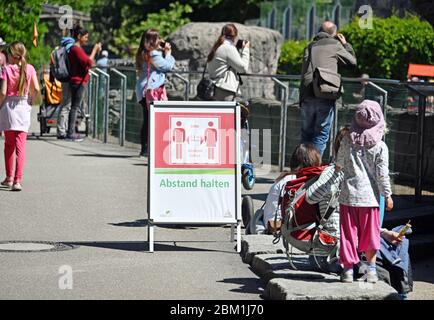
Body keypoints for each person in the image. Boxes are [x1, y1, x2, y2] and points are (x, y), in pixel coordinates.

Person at [335, 99, 393, 284]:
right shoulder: (381, 147)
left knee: (348, 234)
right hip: (370, 200)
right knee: (370, 234)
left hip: (348, 197)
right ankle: (372, 271)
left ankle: (347, 271)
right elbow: (382, 174)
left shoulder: (346, 140)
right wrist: (387, 195)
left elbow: (339, 165)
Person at [299, 21, 357, 156]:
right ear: (334, 33)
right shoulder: (335, 45)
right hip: (324, 93)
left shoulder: (310, 46)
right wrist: (345, 44)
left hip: (306, 94)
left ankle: (303, 167)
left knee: (306, 135)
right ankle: (312, 170)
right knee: (320, 135)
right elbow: (352, 62)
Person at [245, 143, 322, 235]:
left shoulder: (283, 181)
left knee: (259, 215)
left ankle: (252, 223)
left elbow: (271, 214)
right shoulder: (319, 181)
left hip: (277, 226)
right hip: (308, 228)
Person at [0, 41, 41, 191]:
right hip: (23, 107)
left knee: (8, 145)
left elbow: (3, 92)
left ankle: (9, 178)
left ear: (12, 55)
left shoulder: (7, 69)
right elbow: (36, 88)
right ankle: (17, 180)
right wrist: (31, 98)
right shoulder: (29, 68)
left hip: (9, 108)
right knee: (21, 146)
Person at [135, 29, 175, 157]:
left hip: (143, 90)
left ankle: (145, 148)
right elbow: (167, 67)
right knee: (151, 120)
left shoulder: (142, 52)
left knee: (147, 120)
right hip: (152, 91)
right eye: (158, 38)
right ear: (152, 40)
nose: (160, 40)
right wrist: (168, 53)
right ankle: (149, 149)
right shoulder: (153, 54)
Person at [67, 24, 102, 142]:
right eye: (85, 37)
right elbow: (89, 62)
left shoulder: (75, 49)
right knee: (75, 107)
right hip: (78, 82)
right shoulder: (76, 49)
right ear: (79, 36)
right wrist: (95, 50)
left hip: (77, 81)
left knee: (75, 107)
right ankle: (71, 132)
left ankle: (71, 132)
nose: (87, 39)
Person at [207, 23, 250, 101]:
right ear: (235, 36)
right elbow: (243, 68)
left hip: (214, 88)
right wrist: (246, 49)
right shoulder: (228, 48)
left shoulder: (217, 46)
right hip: (224, 90)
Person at [54, 36, 75, 139]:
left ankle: (63, 130)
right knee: (66, 105)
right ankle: (62, 131)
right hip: (69, 79)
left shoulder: (60, 50)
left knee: (66, 105)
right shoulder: (70, 49)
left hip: (64, 78)